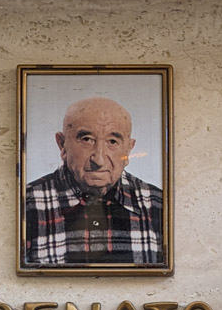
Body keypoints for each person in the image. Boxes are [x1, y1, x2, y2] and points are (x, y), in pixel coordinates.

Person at [23, 96, 164, 267]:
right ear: (62, 145)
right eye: (87, 139)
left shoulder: (159, 205)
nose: (99, 159)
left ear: (128, 149)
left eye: (113, 142)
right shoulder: (25, 204)